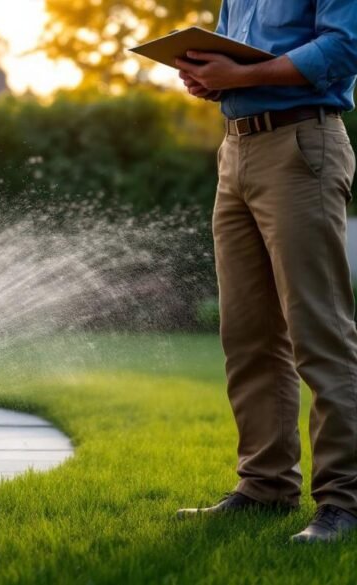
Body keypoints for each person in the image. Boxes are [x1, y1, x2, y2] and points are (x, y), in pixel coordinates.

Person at [173, 0, 357, 543]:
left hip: (301, 145)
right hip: (236, 150)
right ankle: (265, 485)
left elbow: (344, 46)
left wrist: (244, 75)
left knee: (319, 332)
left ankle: (344, 502)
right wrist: (213, 80)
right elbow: (238, 54)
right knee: (248, 333)